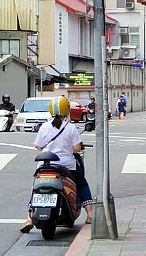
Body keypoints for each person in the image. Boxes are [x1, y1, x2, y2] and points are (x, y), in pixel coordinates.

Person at [20, 96, 93, 232]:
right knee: (82, 182)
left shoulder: (44, 127)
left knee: (35, 186)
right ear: (66, 110)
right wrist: (66, 150)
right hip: (67, 165)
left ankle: (29, 217)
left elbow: (38, 146)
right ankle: (90, 214)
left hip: (45, 165)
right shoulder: (70, 128)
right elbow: (77, 147)